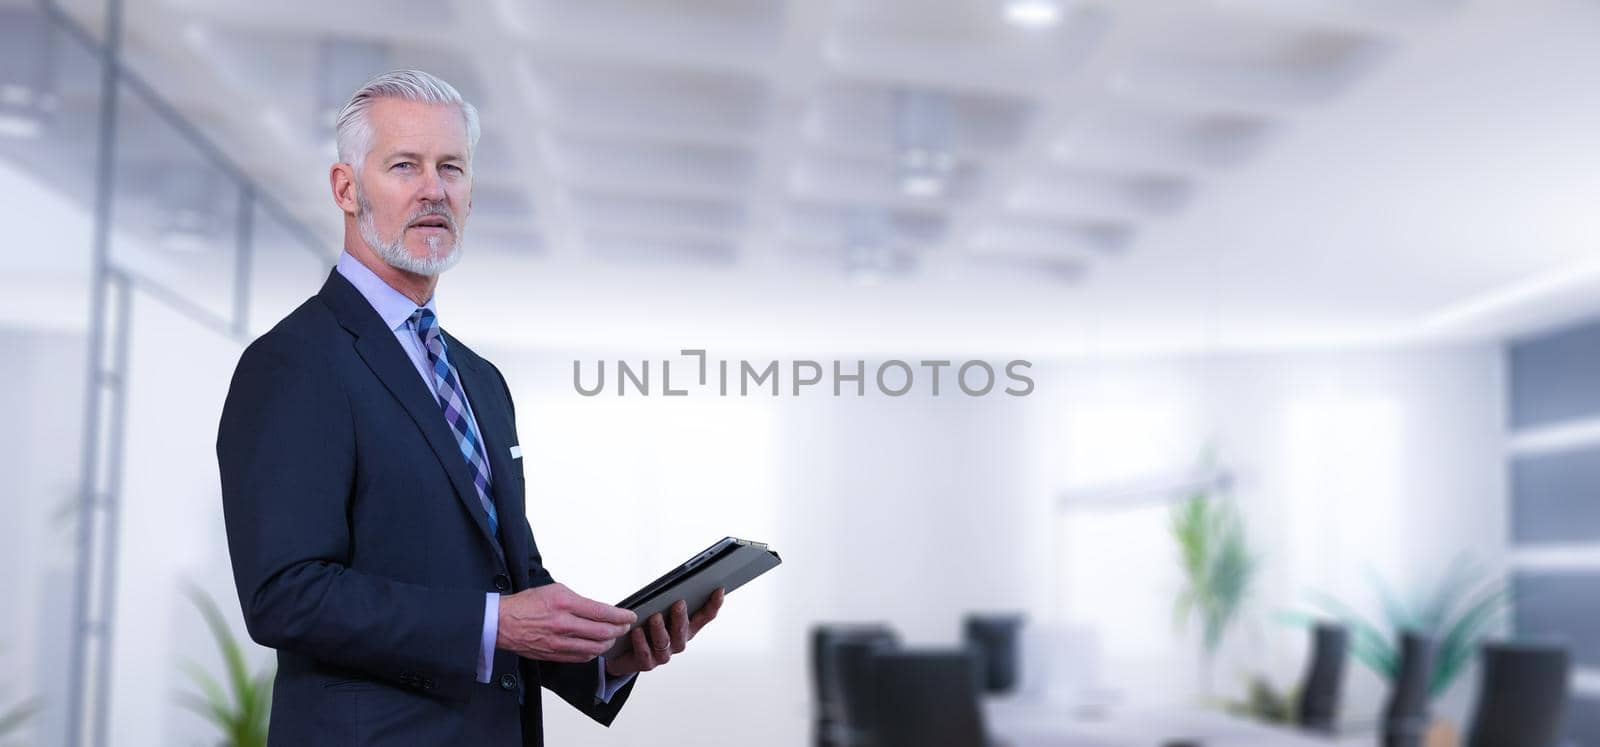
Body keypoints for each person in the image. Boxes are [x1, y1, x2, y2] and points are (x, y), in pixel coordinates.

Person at [216, 69, 723, 746]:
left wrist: (605, 655)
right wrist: (493, 623)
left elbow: (512, 584)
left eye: (451, 167)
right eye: (405, 165)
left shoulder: (480, 380)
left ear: (471, 193)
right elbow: (286, 594)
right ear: (346, 188)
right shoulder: (296, 362)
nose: (434, 188)